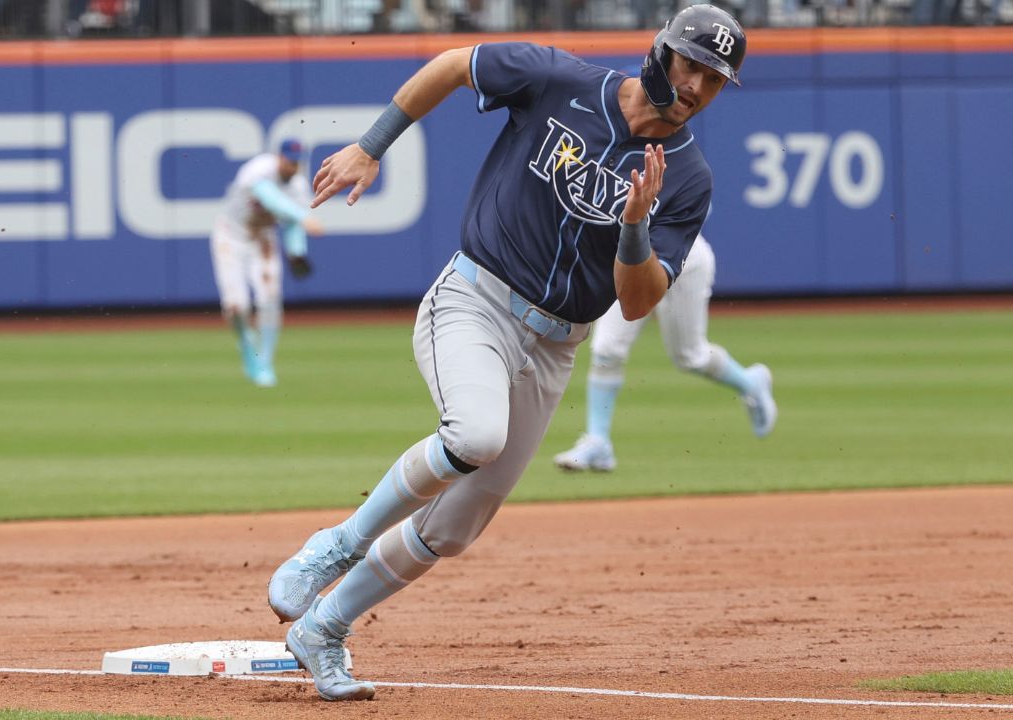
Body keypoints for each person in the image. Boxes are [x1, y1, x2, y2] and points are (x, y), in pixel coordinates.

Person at [268, 4, 746, 701]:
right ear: (662, 51)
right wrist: (373, 144)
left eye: (718, 79)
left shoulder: (687, 178)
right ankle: (335, 546)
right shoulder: (559, 79)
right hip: (475, 298)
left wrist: (635, 227)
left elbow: (639, 301)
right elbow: (455, 65)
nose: (701, 87)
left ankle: (323, 628)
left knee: (454, 528)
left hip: (556, 345)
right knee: (476, 433)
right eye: (694, 65)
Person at [552, 227, 777, 473]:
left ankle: (749, 382)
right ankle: (598, 442)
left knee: (690, 356)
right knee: (607, 349)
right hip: (628, 260)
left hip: (683, 259)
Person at [210, 139, 322, 387]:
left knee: (270, 299)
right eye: (288, 160)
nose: (291, 167)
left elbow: (291, 223)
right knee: (236, 306)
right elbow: (268, 197)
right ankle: (248, 347)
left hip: (263, 239)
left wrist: (297, 253)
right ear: (278, 157)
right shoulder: (259, 168)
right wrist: (304, 216)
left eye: (296, 162)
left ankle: (265, 362)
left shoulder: (298, 186)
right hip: (231, 236)